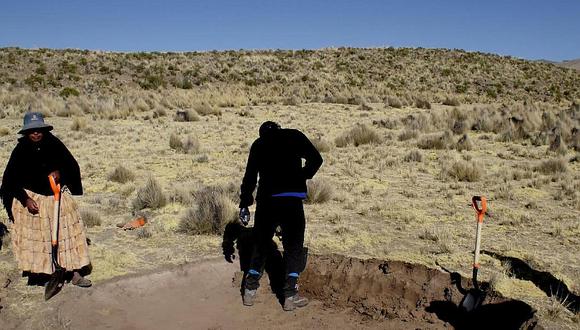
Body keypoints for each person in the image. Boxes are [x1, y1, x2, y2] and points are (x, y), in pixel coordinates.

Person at [238, 121, 322, 311]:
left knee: (261, 243)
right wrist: (302, 176)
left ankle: (249, 292)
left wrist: (244, 203)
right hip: (291, 200)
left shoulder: (259, 145)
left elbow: (250, 177)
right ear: (279, 128)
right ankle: (290, 297)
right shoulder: (294, 136)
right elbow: (316, 159)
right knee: (293, 245)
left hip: (267, 201)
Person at [0, 112, 92, 287]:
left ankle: (74, 272)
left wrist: (60, 173)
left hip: (57, 196)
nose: (36, 134)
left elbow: (71, 165)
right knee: (40, 237)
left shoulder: (54, 144)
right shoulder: (20, 150)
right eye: (32, 131)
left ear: (44, 130)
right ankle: (44, 273)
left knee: (68, 235)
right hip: (34, 198)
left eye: (39, 130)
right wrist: (25, 199)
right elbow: (10, 180)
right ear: (26, 133)